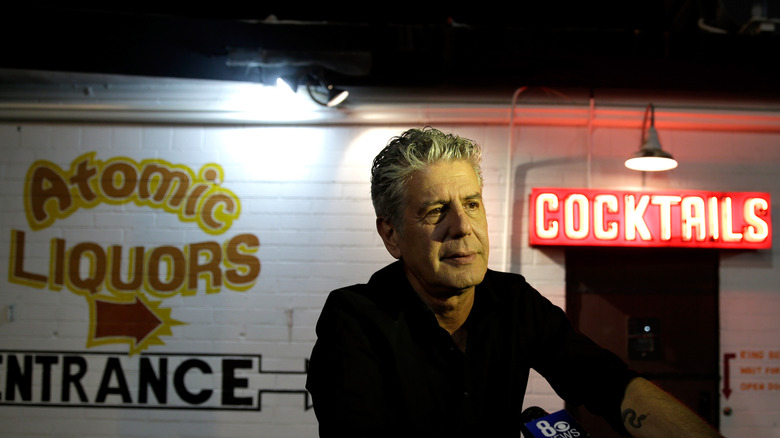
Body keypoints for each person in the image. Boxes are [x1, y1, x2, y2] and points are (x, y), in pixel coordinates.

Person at [306, 127, 722, 437]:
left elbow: (612, 386)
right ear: (391, 235)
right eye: (435, 211)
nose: (462, 226)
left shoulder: (513, 301)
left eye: (471, 204)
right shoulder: (355, 319)